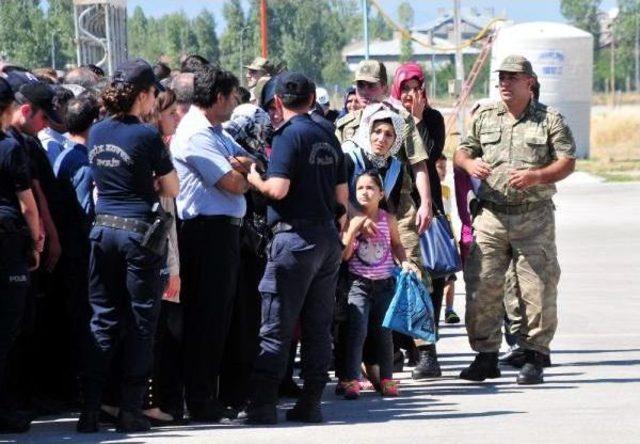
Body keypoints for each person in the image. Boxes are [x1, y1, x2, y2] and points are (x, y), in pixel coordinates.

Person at [454, 55, 576, 385]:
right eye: (501, 77)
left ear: (529, 82)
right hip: (492, 215)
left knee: (538, 287)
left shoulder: (549, 119)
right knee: (482, 285)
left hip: (533, 218)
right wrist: (469, 165)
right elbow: (462, 151)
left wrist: (538, 176)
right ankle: (486, 356)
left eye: (512, 77)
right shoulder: (486, 117)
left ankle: (535, 354)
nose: (504, 83)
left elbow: (567, 161)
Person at [77, 58, 179, 433]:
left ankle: (90, 409)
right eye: (154, 92)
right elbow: (171, 187)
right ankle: (130, 410)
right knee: (140, 321)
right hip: (138, 232)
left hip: (103, 231)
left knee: (102, 320)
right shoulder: (146, 135)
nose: (156, 99)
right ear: (142, 94)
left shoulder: (98, 131)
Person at [244, 72, 348, 425]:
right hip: (326, 239)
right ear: (311, 100)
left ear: (276, 102)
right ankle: (311, 401)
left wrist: (253, 177)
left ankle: (262, 405)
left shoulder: (289, 136)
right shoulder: (326, 134)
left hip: (294, 241)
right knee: (318, 327)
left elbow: (278, 189)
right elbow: (342, 198)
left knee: (276, 324)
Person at [171, 65, 253, 422]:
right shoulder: (195, 134)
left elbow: (250, 160)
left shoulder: (216, 131)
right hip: (206, 233)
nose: (235, 101)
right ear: (218, 97)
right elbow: (232, 183)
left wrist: (242, 168)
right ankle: (201, 399)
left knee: (221, 317)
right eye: (233, 95)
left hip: (223, 231)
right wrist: (242, 174)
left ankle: (211, 393)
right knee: (207, 318)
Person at [341, 136, 417, 400]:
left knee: (384, 334)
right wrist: (352, 229)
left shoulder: (388, 219)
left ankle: (387, 378)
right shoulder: (351, 219)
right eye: (360, 187)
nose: (365, 192)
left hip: (385, 284)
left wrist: (404, 261)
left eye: (371, 187)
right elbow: (345, 254)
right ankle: (351, 378)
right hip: (358, 284)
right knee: (357, 331)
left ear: (381, 193)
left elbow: (397, 245)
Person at [391, 61, 446, 378]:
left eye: (416, 87)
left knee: (427, 278)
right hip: (392, 207)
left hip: (424, 206)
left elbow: (428, 154)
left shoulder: (432, 119)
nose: (411, 94)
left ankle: (426, 350)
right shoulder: (388, 120)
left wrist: (416, 119)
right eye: (406, 88)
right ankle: (400, 347)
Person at [0, 77, 43, 434]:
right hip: (7, 243)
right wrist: (37, 243)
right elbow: (28, 206)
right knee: (7, 330)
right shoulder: (9, 147)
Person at [435, 155, 460, 325]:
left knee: (450, 277)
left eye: (445, 167)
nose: (443, 171)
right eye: (439, 167)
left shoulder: (446, 190)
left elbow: (449, 215)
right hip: (434, 239)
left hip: (447, 235)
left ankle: (449, 309)